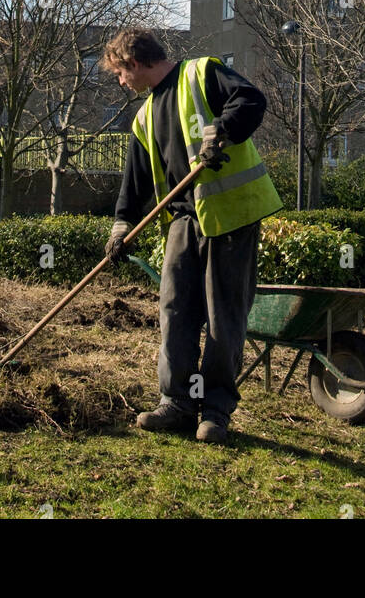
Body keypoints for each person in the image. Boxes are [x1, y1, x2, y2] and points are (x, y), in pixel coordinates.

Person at [102, 27, 282, 445]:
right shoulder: (144, 117)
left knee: (223, 318)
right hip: (183, 223)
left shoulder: (203, 73)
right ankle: (178, 403)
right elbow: (136, 180)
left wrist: (222, 130)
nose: (120, 81)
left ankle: (215, 411)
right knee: (176, 311)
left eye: (119, 72)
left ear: (133, 62)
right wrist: (122, 225)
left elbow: (252, 99)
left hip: (230, 217)